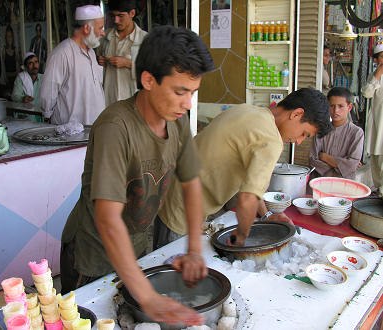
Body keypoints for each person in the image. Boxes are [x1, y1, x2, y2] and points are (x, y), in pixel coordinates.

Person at [60, 25, 215, 325]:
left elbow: (192, 185)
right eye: (180, 92)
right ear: (148, 80)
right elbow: (107, 218)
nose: (188, 104)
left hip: (135, 249)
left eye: (193, 93)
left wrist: (194, 249)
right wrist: (148, 296)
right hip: (92, 256)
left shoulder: (178, 121)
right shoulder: (115, 127)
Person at [157, 88, 332, 248]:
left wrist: (266, 216)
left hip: (171, 194)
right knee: (168, 272)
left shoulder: (248, 110)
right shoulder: (270, 139)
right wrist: (241, 240)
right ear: (296, 114)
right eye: (304, 134)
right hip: (183, 214)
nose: (299, 140)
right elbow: (248, 198)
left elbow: (250, 185)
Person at [40, 5, 105, 126]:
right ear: (86, 28)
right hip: (71, 135)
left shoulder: (90, 52)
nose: (103, 33)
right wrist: (49, 117)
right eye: (100, 28)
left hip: (94, 130)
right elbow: (47, 95)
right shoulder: (62, 54)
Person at [97, 0, 147, 106]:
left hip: (134, 102)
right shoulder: (105, 37)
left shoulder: (145, 39)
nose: (116, 20)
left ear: (132, 13)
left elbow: (153, 71)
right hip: (108, 100)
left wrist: (128, 63)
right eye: (113, 16)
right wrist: (98, 61)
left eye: (121, 16)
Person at [309, 87, 364, 180]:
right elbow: (313, 160)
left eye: (340, 106)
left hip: (344, 184)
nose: (336, 111)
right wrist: (343, 166)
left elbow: (352, 164)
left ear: (349, 107)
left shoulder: (356, 133)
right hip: (320, 182)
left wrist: (325, 157)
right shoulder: (320, 130)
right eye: (332, 106)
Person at [362, 43, 383, 196]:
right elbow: (367, 93)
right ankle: (379, 191)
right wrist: (378, 74)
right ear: (376, 59)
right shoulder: (375, 76)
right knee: (376, 160)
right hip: (377, 125)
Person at [1, 25, 20, 90]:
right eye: (7, 36)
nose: (9, 38)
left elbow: (18, 65)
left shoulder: (15, 50)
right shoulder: (4, 50)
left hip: (15, 77)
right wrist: (4, 79)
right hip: (7, 79)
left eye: (10, 36)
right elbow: (3, 66)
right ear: (5, 37)